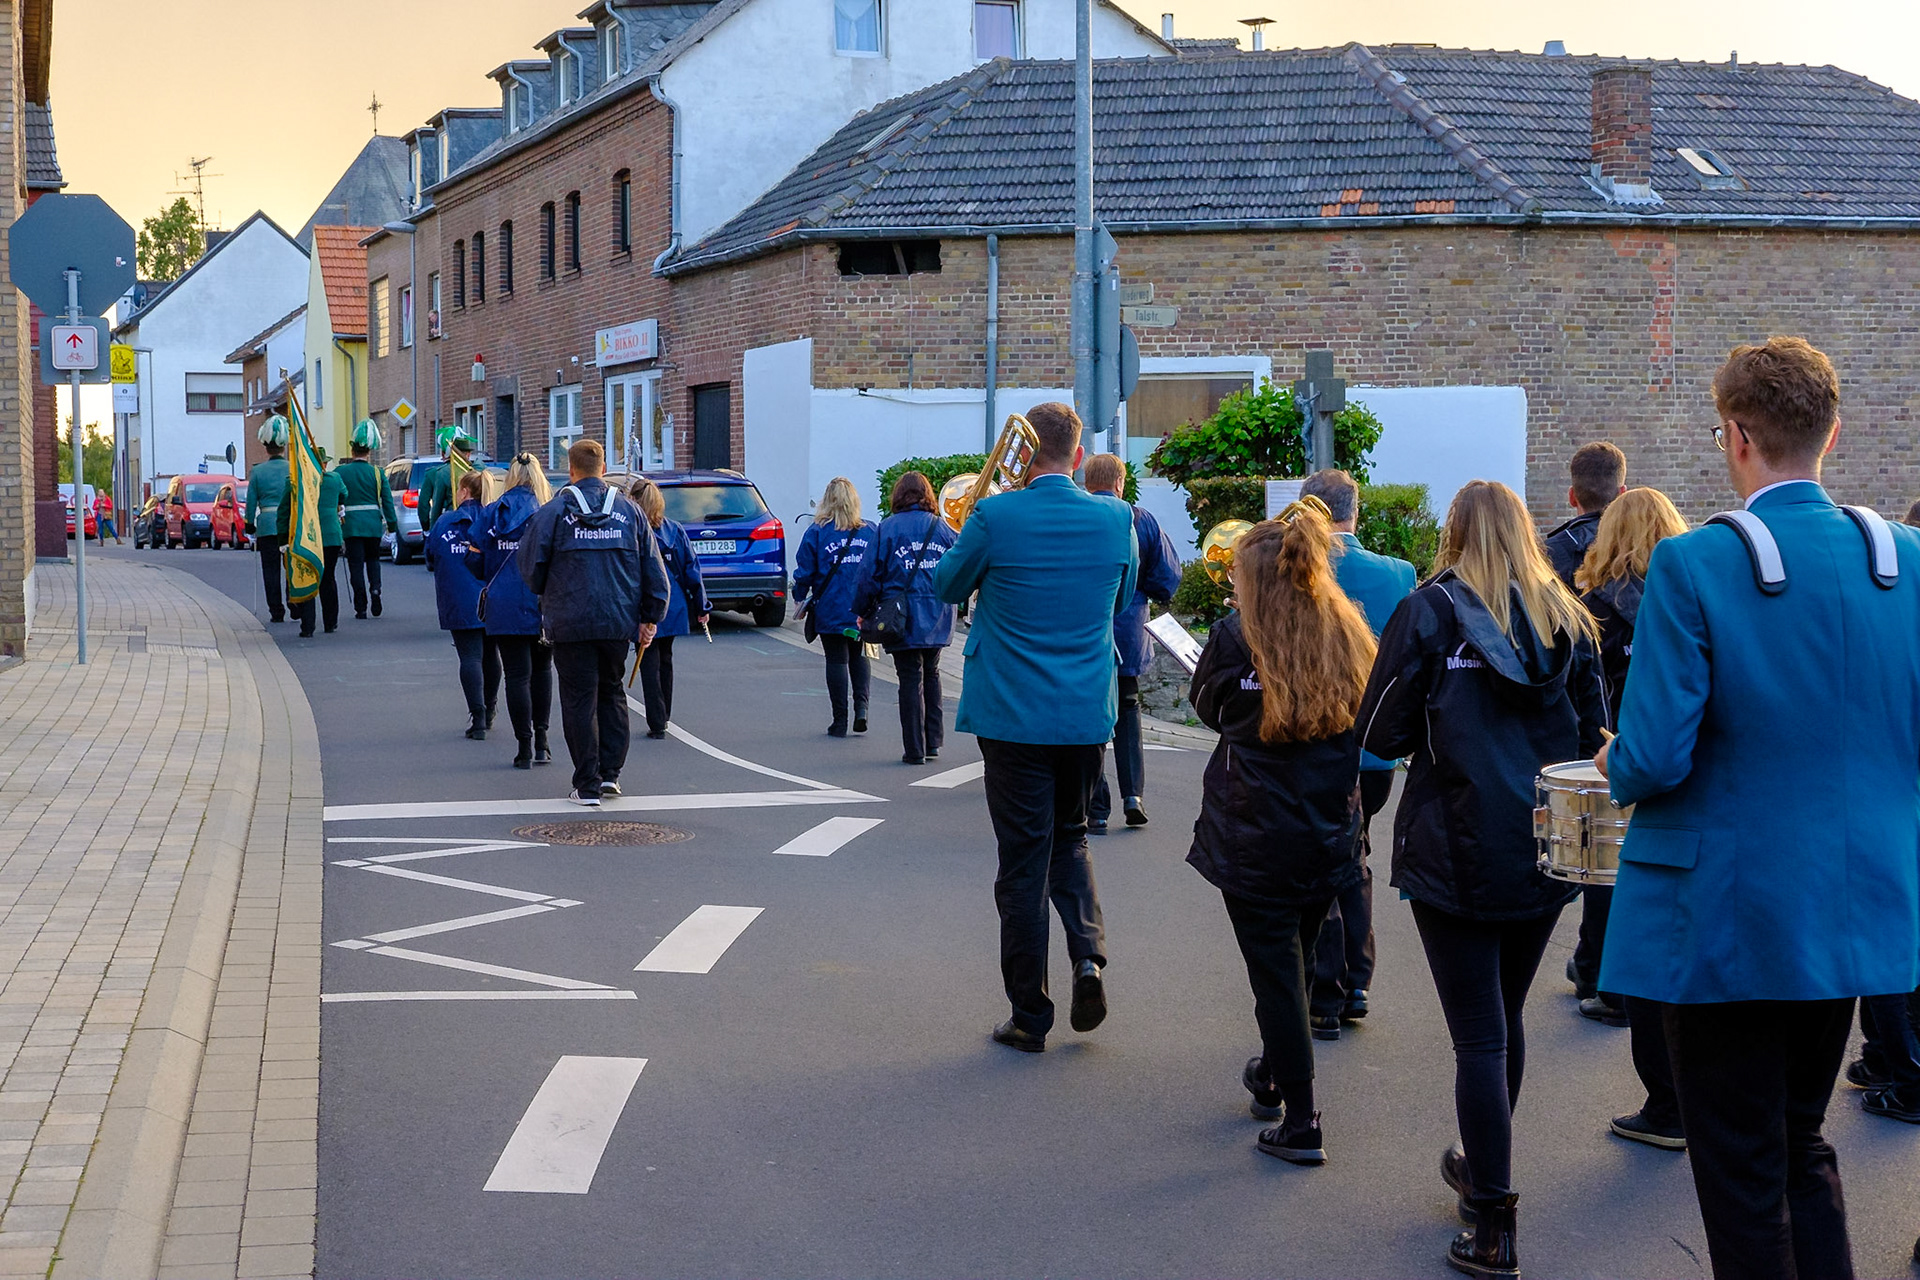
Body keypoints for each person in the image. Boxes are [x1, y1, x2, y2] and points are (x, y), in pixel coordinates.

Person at [1596, 337, 1920, 1280]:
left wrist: (1617, 762)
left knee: (1739, 1168)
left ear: (1737, 435)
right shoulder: (1905, 557)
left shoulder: (1696, 565)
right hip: (1859, 906)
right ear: (1834, 431)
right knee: (1798, 1142)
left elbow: (1654, 758)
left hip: (1730, 918)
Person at [1358, 479, 1606, 1278]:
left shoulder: (1431, 610)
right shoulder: (1568, 618)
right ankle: (1478, 1170)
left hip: (1455, 840)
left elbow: (1381, 727)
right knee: (1503, 1016)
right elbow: (1595, 730)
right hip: (1541, 841)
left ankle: (1494, 1217)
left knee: (1479, 1033)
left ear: (1455, 532)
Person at [933, 402, 1137, 1052]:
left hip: (1012, 713)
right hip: (1083, 713)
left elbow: (945, 585)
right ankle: (1088, 958)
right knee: (1071, 839)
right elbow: (1124, 596)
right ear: (1078, 456)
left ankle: (1029, 1014)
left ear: (1028, 454)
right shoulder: (1117, 516)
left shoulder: (995, 513)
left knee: (1021, 863)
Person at [1187, 502, 1374, 1166]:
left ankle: (1302, 1118)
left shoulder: (1238, 639)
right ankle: (1272, 1071)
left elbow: (1211, 709)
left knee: (1275, 973)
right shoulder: (1344, 629)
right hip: (1329, 823)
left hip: (1256, 828)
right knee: (1290, 958)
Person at [1568, 487, 1690, 1150]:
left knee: (1604, 872)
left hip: (1614, 754)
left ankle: (1598, 977)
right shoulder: (1690, 597)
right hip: (1675, 769)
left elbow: (1585, 694)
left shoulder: (1594, 606)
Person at [1297, 468, 1416, 1042]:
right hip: (1374, 747)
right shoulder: (1398, 572)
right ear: (1355, 512)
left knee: (1320, 859)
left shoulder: (1294, 567)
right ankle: (1357, 979)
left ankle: (1327, 987)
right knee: (1356, 850)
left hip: (1314, 739)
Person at [517, 439, 669, 806]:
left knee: (578, 700)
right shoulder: (630, 512)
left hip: (570, 622)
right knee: (612, 690)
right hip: (617, 620)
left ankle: (587, 782)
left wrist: (548, 593)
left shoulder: (554, 511)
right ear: (603, 469)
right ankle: (610, 775)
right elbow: (654, 568)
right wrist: (651, 616)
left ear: (571, 469)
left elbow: (531, 568)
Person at [1542, 441, 1627, 1006]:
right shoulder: (1658, 545)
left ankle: (1593, 962)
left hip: (1579, 716)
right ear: (1623, 491)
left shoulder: (1550, 553)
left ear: (1573, 495)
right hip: (1645, 710)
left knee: (1588, 838)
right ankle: (1609, 967)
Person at [1081, 453, 1181, 831]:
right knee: (1128, 710)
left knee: (1092, 716)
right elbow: (1168, 577)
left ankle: (1097, 805)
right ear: (1121, 483)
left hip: (1089, 633)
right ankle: (1133, 795)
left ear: (1086, 482)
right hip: (1129, 630)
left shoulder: (1079, 517)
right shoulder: (1140, 520)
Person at [854, 472, 957, 765]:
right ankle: (933, 742)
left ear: (897, 496)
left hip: (901, 616)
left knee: (910, 678)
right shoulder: (944, 527)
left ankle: (914, 748)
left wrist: (862, 611)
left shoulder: (887, 528)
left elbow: (867, 577)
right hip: (937, 612)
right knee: (932, 672)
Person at [468, 454, 554, 767]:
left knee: (517, 675)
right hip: (542, 601)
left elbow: (474, 558)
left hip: (503, 604)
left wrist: (493, 575)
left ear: (512, 477)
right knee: (542, 671)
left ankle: (524, 748)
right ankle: (542, 741)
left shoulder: (492, 513)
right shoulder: (548, 513)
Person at [627, 477, 711, 741]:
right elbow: (691, 570)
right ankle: (664, 714)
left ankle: (656, 719)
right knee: (666, 659)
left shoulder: (633, 531)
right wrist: (701, 604)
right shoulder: (675, 530)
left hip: (644, 603)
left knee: (648, 662)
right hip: (673, 604)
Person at [792, 478, 876, 737]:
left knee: (836, 661)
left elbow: (805, 571)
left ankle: (839, 721)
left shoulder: (817, 532)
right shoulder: (870, 531)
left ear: (826, 501)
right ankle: (862, 709)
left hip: (830, 607)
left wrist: (798, 596)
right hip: (862, 608)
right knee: (859, 655)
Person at [427, 471, 497, 739]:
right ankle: (489, 710)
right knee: (491, 656)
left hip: (458, 598)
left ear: (465, 492)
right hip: (491, 597)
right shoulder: (494, 518)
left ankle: (477, 718)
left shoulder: (446, 521)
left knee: (469, 656)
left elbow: (430, 556)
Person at [281, 447, 347, 638]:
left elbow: (284, 511)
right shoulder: (334, 480)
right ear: (323, 463)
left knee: (308, 576)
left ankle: (308, 626)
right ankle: (330, 622)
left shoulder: (295, 482)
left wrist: (284, 539)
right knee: (328, 578)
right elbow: (344, 495)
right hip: (331, 535)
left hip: (307, 535)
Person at [338, 419, 400, 620]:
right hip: (373, 524)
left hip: (351, 526)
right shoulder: (377, 472)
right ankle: (375, 590)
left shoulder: (340, 472)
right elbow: (387, 502)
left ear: (352, 449)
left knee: (355, 565)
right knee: (373, 560)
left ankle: (360, 605)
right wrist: (391, 526)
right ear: (369, 451)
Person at [245, 417, 292, 623]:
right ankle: (295, 601)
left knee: (270, 570)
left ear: (266, 447)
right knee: (291, 566)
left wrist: (250, 524)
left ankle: (276, 610)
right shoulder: (293, 468)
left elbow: (251, 502)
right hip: (289, 524)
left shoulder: (257, 471)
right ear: (284, 445)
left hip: (266, 526)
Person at [420, 430, 475, 542]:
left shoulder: (441, 473)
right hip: (476, 522)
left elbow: (435, 506)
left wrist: (431, 531)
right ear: (468, 454)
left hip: (452, 521)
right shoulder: (479, 470)